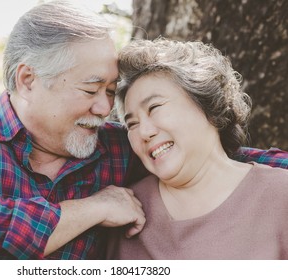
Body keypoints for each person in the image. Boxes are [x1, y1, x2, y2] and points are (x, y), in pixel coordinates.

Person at [0, 1, 285, 260]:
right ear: (29, 79)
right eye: (90, 89)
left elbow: (208, 153)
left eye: (110, 92)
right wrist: (95, 207)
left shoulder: (116, 145)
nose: (105, 109)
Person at [106, 37, 288, 260]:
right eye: (131, 124)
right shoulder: (122, 210)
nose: (143, 132)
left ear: (207, 104)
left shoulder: (280, 194)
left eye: (154, 108)